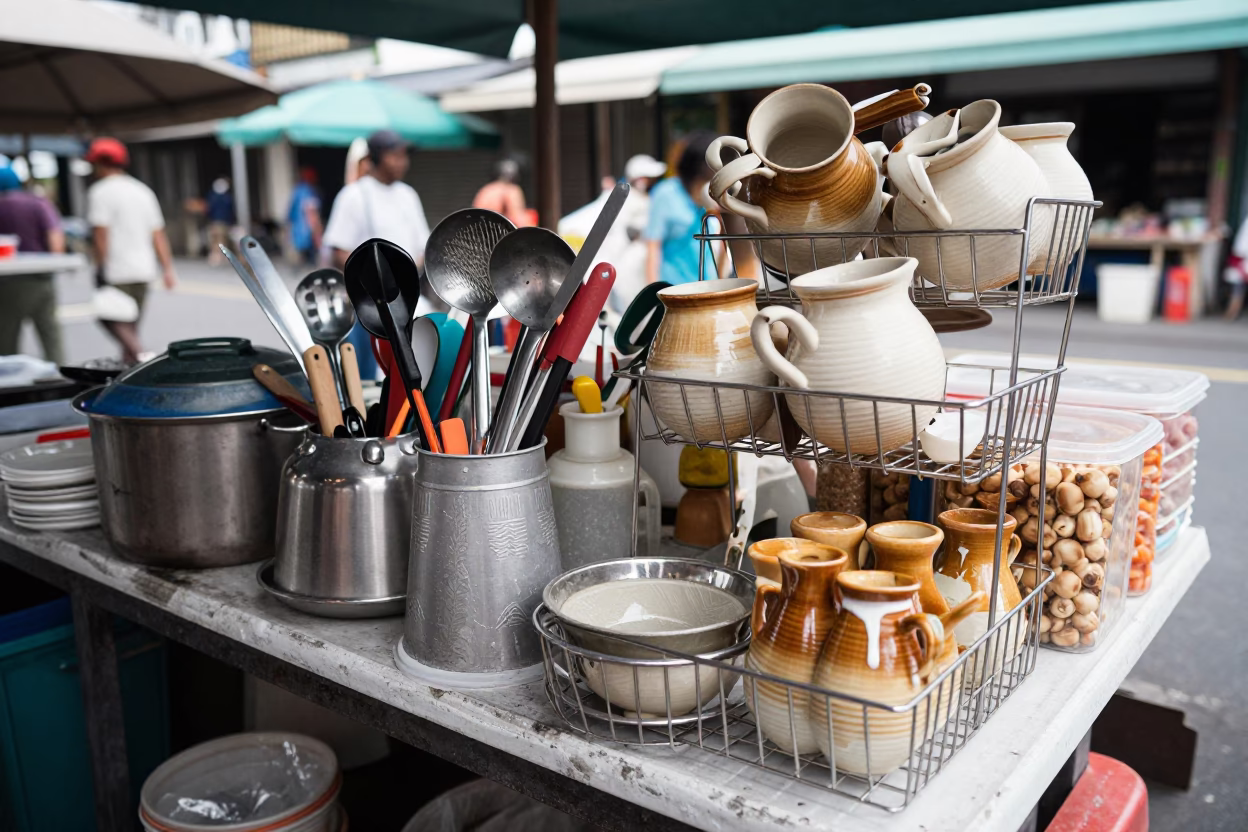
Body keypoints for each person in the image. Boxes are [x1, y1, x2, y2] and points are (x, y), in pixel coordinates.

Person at [323, 130, 434, 379]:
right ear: (375, 157)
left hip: (410, 301)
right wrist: (375, 277)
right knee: (377, 378)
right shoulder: (353, 196)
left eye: (404, 155)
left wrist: (403, 273)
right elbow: (339, 251)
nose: (402, 161)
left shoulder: (408, 195)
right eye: (394, 155)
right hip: (371, 307)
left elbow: (421, 248)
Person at [85, 137, 177, 364]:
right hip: (144, 270)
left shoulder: (100, 192)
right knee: (130, 327)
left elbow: (101, 234)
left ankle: (143, 358)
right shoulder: (142, 191)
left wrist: (99, 266)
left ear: (99, 163)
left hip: (116, 271)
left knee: (110, 320)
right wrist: (167, 268)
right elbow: (158, 234)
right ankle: (130, 373)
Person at [0, 165, 67, 363]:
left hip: (7, 282)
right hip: (41, 278)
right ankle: (60, 378)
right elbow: (55, 237)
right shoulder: (37, 203)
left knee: (7, 339)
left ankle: (10, 384)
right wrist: (55, 264)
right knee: (50, 335)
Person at [645, 132, 724, 286]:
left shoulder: (715, 194)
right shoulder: (666, 194)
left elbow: (723, 244)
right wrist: (653, 292)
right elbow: (653, 246)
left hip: (708, 288)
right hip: (674, 290)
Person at [472, 159, 529, 227]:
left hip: (480, 231)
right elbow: (518, 218)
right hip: (499, 232)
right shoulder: (511, 190)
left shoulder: (487, 189)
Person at [287, 167, 323, 267]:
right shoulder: (308, 191)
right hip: (307, 230)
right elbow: (311, 212)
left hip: (298, 229)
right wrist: (317, 228)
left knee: (302, 257)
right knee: (310, 260)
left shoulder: (298, 191)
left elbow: (290, 212)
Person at [204, 177, 235, 266]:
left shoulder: (212, 197)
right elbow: (231, 211)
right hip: (224, 222)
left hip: (214, 222)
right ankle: (220, 258)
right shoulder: (227, 198)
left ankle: (215, 258)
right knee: (221, 241)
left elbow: (209, 210)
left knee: (215, 241)